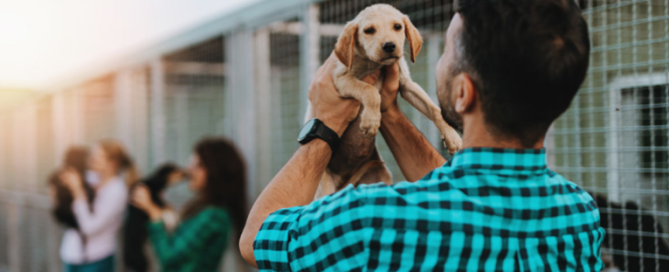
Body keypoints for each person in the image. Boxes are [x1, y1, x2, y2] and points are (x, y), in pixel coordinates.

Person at [240, 0, 604, 271]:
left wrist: (324, 126)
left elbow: (257, 239)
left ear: (464, 93)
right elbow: (455, 190)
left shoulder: (371, 219)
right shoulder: (581, 216)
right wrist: (390, 112)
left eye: (446, 51)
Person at [131, 138, 247, 272]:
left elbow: (169, 257)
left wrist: (153, 212)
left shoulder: (214, 216)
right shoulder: (204, 208)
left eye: (198, 165)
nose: (189, 170)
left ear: (216, 170)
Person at [60, 140, 138, 272]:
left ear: (112, 164)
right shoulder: (91, 178)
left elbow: (89, 227)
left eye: (97, 156)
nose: (91, 158)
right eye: (92, 154)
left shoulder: (117, 190)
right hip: (72, 254)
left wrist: (78, 191)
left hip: (97, 258)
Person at [124, 164, 184, 272]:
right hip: (139, 233)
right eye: (178, 176)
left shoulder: (155, 189)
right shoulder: (147, 187)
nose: (178, 181)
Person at [48, 146, 96, 256]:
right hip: (74, 218)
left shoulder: (57, 176)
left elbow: (54, 200)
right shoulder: (79, 177)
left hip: (65, 217)